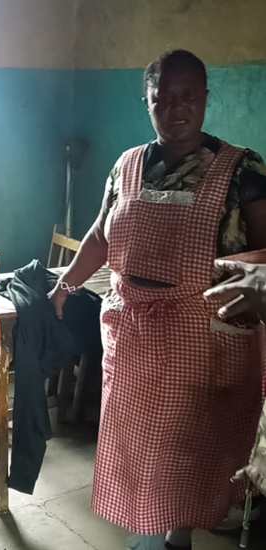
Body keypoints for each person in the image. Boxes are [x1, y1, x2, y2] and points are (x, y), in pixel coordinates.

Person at [49, 50, 266, 550]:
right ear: (146, 102)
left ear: (206, 98)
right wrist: (65, 286)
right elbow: (100, 236)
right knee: (142, 448)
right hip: (134, 336)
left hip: (205, 336)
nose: (176, 107)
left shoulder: (241, 167)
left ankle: (176, 535)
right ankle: (161, 535)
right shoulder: (127, 165)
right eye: (162, 97)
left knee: (195, 449)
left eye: (188, 95)